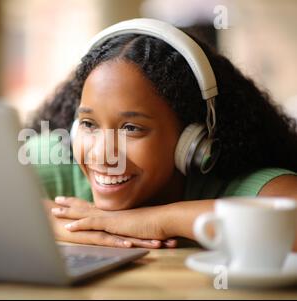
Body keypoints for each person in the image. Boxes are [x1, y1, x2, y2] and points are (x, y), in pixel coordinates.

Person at [25, 19, 297, 250]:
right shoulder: (58, 159)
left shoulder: (228, 184)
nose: (101, 154)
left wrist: (153, 221)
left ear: (193, 140)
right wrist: (50, 224)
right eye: (88, 124)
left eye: (131, 128)